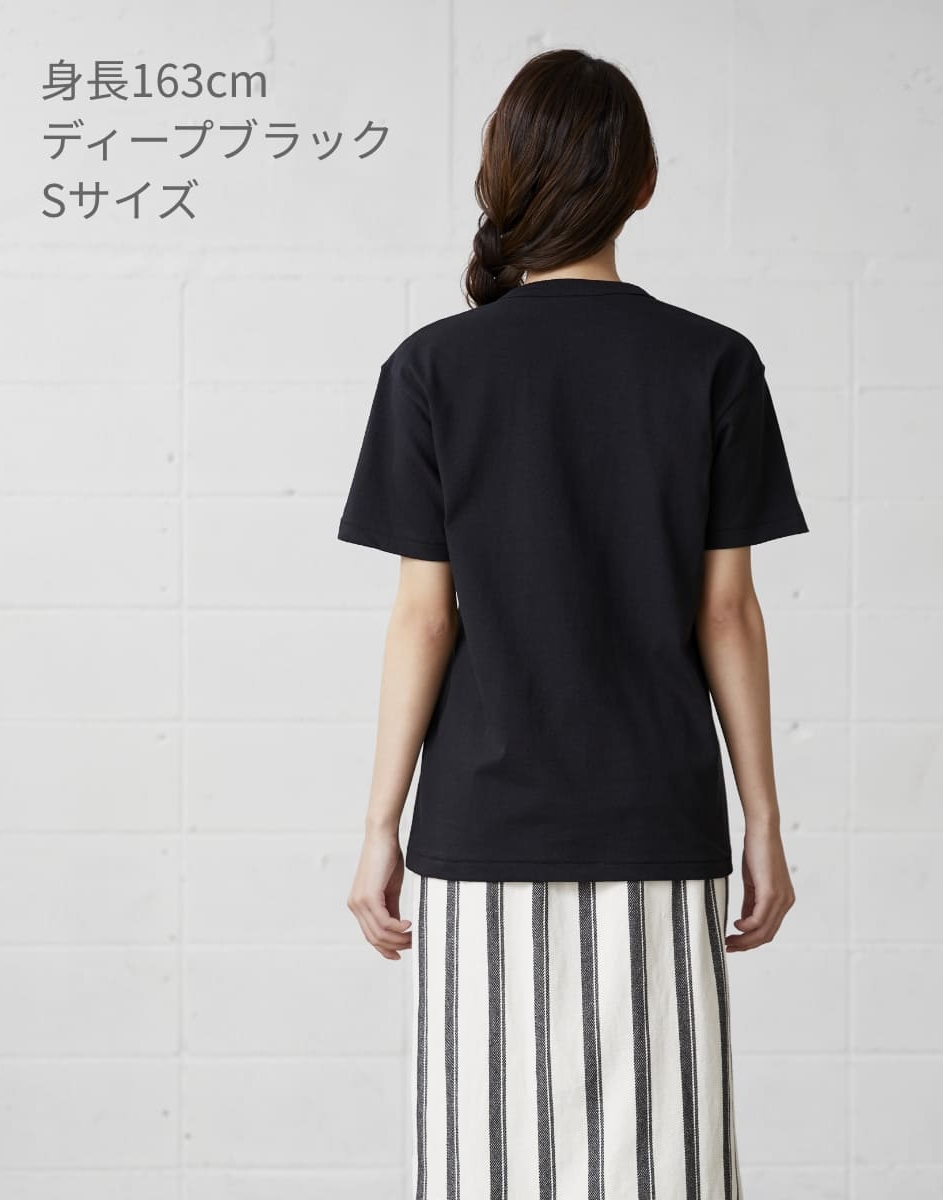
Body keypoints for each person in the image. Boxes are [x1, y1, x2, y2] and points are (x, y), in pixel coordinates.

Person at [340, 47, 808, 1200]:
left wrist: (378, 826)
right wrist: (763, 818)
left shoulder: (431, 368)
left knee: (481, 1164)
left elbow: (421, 621)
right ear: (643, 183)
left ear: (500, 178)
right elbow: (729, 612)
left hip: (480, 827)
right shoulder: (713, 363)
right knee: (668, 1163)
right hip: (660, 819)